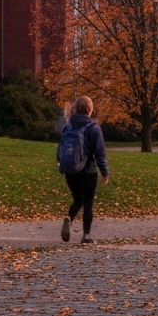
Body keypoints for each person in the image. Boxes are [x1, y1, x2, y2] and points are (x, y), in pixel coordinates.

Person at [59, 96, 110, 244]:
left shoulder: (67, 127)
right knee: (88, 202)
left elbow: (61, 148)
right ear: (90, 109)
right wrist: (105, 172)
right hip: (88, 170)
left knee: (78, 199)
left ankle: (69, 217)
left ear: (75, 108)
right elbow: (100, 152)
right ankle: (86, 235)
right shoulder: (93, 127)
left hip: (70, 170)